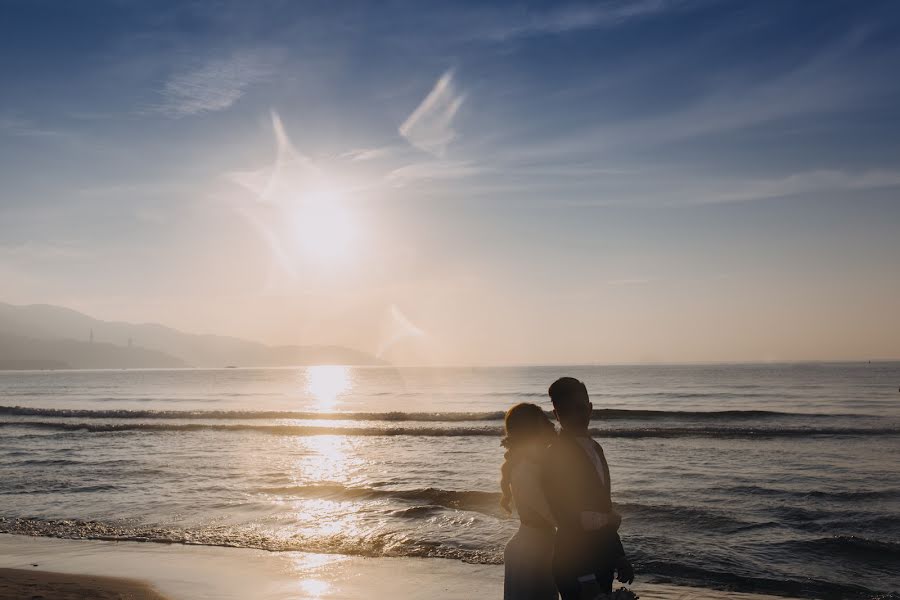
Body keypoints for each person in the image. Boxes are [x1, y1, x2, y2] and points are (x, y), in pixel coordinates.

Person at [541, 377, 634, 600]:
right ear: (556, 414)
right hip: (575, 568)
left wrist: (618, 556)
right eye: (566, 411)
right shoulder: (555, 454)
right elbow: (565, 516)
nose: (576, 416)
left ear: (590, 408)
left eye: (580, 408)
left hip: (601, 562)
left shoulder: (596, 448)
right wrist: (586, 578)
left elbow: (604, 508)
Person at [501, 402, 560, 600]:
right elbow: (553, 515)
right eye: (545, 421)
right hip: (528, 555)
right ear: (533, 430)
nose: (552, 425)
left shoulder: (539, 464)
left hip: (540, 549)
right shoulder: (525, 470)